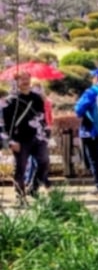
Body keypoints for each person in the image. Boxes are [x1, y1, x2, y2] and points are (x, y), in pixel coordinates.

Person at [2, 71, 51, 199]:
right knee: (20, 168)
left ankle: (33, 189)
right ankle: (20, 196)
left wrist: (45, 133)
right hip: (20, 139)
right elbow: (5, 124)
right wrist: (11, 141)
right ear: (16, 82)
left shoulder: (37, 98)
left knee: (44, 163)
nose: (25, 81)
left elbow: (41, 118)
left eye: (27, 78)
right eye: (21, 79)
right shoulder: (11, 101)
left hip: (37, 137)